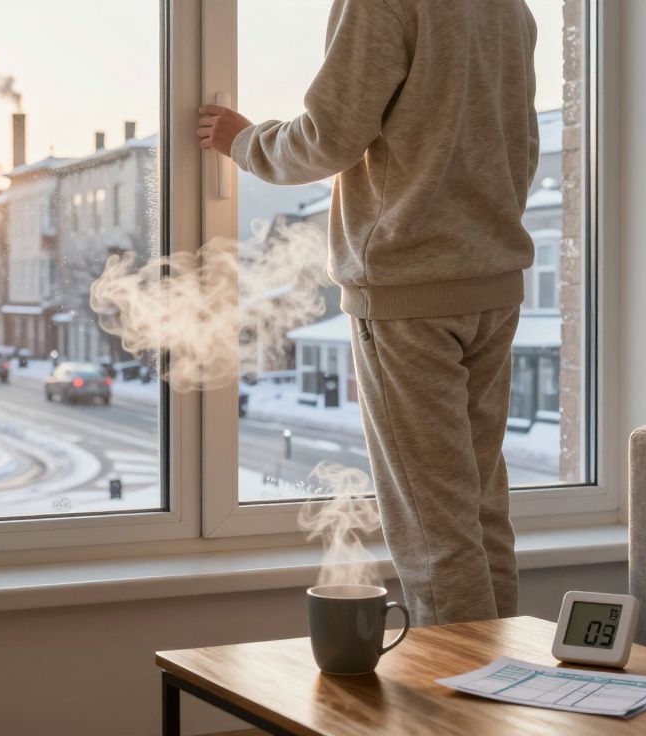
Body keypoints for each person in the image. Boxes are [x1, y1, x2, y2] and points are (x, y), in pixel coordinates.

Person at [198, 0, 539, 626]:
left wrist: (243, 142)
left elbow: (328, 136)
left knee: (434, 527)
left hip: (409, 290)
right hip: (492, 281)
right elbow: (522, 141)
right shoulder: (508, 8)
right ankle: (499, 693)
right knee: (480, 510)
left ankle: (455, 713)